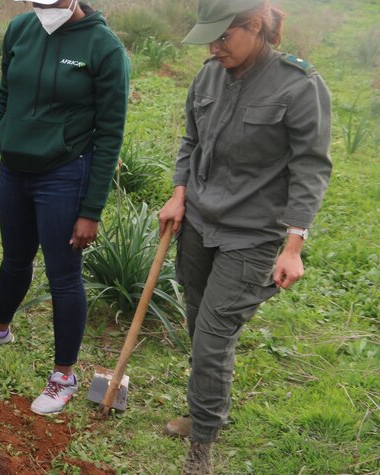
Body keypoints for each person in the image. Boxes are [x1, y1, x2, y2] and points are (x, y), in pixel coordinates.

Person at [157, 0, 332, 472]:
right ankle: (207, 409)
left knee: (213, 338)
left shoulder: (298, 85)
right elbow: (190, 141)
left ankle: (202, 444)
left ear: (255, 26)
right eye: (209, 38)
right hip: (198, 225)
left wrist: (293, 245)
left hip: (252, 235)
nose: (214, 48)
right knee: (201, 326)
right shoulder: (209, 76)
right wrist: (179, 193)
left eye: (224, 37)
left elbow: (310, 168)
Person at [0, 0, 129, 416]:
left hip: (65, 174)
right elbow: (6, 100)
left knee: (63, 275)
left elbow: (110, 135)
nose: (43, 8)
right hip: (16, 169)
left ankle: (63, 376)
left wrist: (91, 210)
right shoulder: (19, 31)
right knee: (14, 259)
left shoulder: (104, 48)